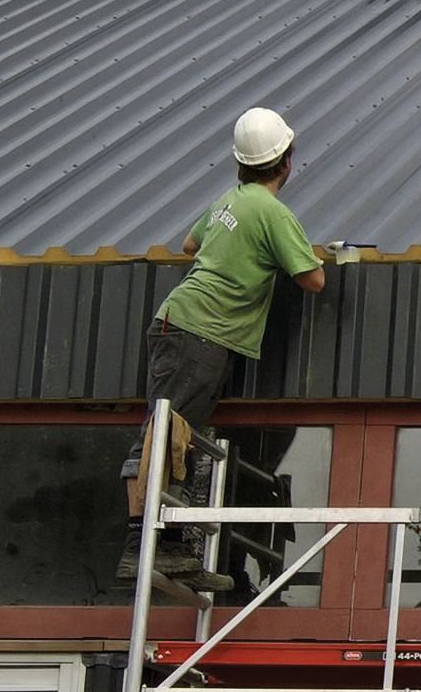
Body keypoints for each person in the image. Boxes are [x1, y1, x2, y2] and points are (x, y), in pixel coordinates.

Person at [116, 107, 327, 590]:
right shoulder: (273, 213)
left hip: (185, 324)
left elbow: (190, 245)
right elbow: (313, 279)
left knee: (180, 436)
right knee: (163, 433)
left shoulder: (229, 200)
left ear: (242, 163)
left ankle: (171, 550)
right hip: (199, 331)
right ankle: (139, 545)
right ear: (286, 161)